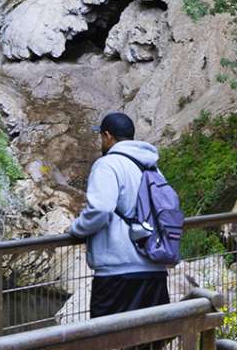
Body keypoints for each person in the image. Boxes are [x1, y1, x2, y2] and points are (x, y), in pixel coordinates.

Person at [67, 112, 174, 316]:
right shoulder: (152, 167)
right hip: (154, 269)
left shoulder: (108, 164)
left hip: (117, 273)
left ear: (107, 136)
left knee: (106, 341)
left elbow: (100, 208)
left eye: (101, 137)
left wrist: (76, 229)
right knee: (148, 341)